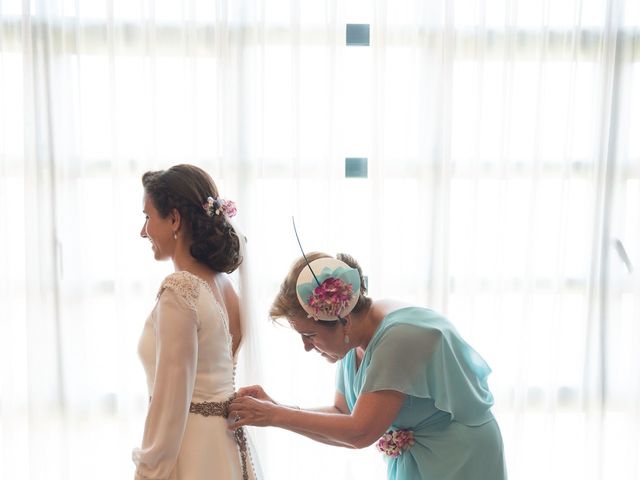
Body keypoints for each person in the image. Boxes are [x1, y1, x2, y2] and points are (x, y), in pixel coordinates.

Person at [229, 252, 506, 480]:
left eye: (310, 335)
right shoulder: (354, 337)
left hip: (459, 458)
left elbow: (360, 432)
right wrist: (276, 407)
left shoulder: (398, 336)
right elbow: (343, 413)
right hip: (421, 460)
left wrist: (274, 415)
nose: (306, 346)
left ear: (343, 319)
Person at [132, 164, 257, 480]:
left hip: (191, 454)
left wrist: (147, 472)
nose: (143, 231)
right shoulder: (226, 286)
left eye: (147, 217)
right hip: (227, 447)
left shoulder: (180, 292)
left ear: (174, 219)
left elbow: (170, 402)